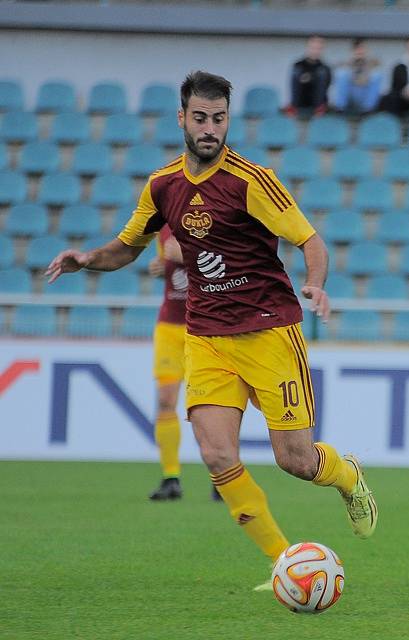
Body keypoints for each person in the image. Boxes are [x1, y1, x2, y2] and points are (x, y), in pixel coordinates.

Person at [46, 70, 377, 589]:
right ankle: (286, 562)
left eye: (218, 119)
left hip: (269, 331)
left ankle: (347, 475)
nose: (209, 128)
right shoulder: (162, 186)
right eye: (200, 118)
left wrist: (315, 284)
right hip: (205, 335)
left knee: (295, 460)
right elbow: (128, 246)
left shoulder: (252, 180)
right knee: (218, 455)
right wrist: (86, 259)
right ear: (182, 119)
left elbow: (311, 241)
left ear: (228, 120)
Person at [146, 226, 190, 501]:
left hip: (204, 325)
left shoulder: (208, 217)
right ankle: (170, 477)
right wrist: (161, 266)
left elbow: (228, 263)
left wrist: (187, 255)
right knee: (165, 401)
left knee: (208, 407)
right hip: (169, 325)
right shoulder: (161, 227)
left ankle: (221, 476)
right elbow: (170, 267)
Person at [333, 38, 382, 115]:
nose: (360, 51)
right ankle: (340, 109)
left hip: (364, 95)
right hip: (350, 95)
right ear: (353, 51)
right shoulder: (345, 63)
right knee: (341, 74)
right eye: (357, 49)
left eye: (362, 49)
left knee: (377, 75)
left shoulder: (373, 63)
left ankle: (368, 110)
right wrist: (353, 65)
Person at [287, 35, 332, 117]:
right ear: (307, 48)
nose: (315, 51)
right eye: (313, 48)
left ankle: (319, 108)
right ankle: (293, 107)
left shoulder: (325, 67)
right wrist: (312, 79)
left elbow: (327, 85)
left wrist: (309, 78)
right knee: (296, 71)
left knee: (322, 73)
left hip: (317, 101)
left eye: (318, 48)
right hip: (301, 100)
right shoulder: (298, 65)